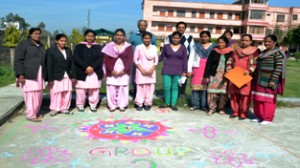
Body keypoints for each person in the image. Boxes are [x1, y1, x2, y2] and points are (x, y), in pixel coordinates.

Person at [251, 35, 286, 125]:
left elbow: (278, 68)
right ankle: (259, 116)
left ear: (274, 42)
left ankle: (268, 118)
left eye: (269, 41)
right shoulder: (263, 53)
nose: (267, 43)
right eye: (265, 41)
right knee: (258, 98)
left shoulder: (277, 53)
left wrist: (273, 80)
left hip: (269, 80)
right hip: (259, 79)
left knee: (268, 100)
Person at [14, 27, 46, 122]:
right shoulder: (24, 44)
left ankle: (35, 112)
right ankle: (31, 115)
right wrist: (20, 74)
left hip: (39, 74)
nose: (37, 35)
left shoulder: (41, 45)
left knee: (38, 94)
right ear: (30, 34)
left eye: (39, 33)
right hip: (28, 74)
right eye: (35, 33)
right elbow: (18, 60)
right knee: (30, 95)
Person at [227, 34, 259, 120]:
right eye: (243, 40)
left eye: (247, 40)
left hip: (246, 75)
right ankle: (235, 111)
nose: (244, 42)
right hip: (235, 75)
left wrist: (249, 71)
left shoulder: (254, 51)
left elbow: (255, 63)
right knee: (234, 94)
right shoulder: (236, 50)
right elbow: (230, 60)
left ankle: (243, 112)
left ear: (251, 42)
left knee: (244, 95)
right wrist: (229, 68)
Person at [73, 29, 104, 112]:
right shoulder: (79, 46)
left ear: (94, 37)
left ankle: (93, 104)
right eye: (88, 36)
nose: (90, 38)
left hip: (95, 71)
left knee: (94, 89)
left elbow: (100, 59)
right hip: (82, 71)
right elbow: (76, 58)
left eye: (92, 36)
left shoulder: (98, 47)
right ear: (85, 36)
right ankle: (80, 104)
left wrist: (92, 68)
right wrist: (86, 67)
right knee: (81, 89)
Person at [102, 28, 133, 112]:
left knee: (122, 87)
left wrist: (124, 70)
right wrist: (111, 70)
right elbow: (106, 59)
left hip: (123, 70)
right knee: (111, 87)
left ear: (124, 37)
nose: (119, 37)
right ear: (114, 36)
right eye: (117, 35)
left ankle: (122, 105)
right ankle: (112, 105)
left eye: (121, 35)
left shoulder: (128, 47)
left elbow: (130, 59)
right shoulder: (109, 46)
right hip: (112, 70)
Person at [204, 36, 233, 115]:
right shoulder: (214, 51)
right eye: (219, 42)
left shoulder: (230, 52)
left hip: (225, 75)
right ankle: (212, 108)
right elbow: (208, 64)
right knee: (212, 92)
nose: (220, 44)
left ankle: (221, 108)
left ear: (226, 43)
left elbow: (232, 64)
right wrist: (206, 75)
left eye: (222, 43)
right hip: (214, 75)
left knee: (223, 93)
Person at [159, 31, 188, 111]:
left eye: (177, 38)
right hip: (167, 70)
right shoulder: (166, 46)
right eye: (174, 38)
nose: (175, 39)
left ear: (180, 39)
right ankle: (166, 103)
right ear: (171, 38)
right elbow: (161, 57)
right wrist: (153, 61)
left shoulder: (183, 48)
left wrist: (185, 71)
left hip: (178, 70)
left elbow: (185, 60)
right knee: (166, 87)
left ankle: (173, 104)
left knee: (175, 88)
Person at [165, 21, 195, 98]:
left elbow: (192, 50)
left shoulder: (189, 38)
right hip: (173, 61)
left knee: (183, 77)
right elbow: (166, 49)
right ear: (176, 28)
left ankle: (181, 93)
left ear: (185, 28)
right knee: (173, 76)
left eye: (183, 28)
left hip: (185, 61)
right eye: (179, 27)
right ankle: (172, 92)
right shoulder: (170, 37)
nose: (181, 29)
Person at [129, 20, 157, 101]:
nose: (142, 27)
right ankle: (136, 94)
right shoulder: (133, 36)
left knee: (148, 80)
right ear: (138, 26)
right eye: (141, 25)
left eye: (144, 25)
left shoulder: (152, 36)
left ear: (147, 26)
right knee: (135, 78)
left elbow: (154, 49)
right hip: (136, 62)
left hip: (149, 62)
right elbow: (129, 48)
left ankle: (146, 97)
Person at [46, 34, 73, 116]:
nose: (63, 42)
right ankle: (55, 108)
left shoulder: (68, 50)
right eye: (61, 41)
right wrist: (50, 79)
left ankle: (64, 108)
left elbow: (72, 63)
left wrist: (74, 75)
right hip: (56, 76)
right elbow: (49, 65)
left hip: (67, 75)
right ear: (56, 41)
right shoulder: (51, 51)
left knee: (67, 92)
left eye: (65, 41)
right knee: (56, 92)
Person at [188, 31, 215, 112]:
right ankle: (195, 105)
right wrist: (189, 70)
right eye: (202, 36)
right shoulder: (196, 46)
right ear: (200, 37)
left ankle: (204, 105)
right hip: (197, 68)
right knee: (195, 87)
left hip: (208, 69)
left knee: (205, 88)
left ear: (209, 37)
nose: (204, 38)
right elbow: (191, 58)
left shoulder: (214, 46)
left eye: (206, 36)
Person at [134, 32, 158, 111]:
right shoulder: (139, 47)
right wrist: (141, 70)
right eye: (145, 38)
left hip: (151, 70)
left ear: (151, 39)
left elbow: (156, 60)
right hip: (141, 70)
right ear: (142, 39)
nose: (147, 40)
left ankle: (147, 103)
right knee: (140, 88)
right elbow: (135, 59)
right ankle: (139, 103)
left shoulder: (154, 48)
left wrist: (152, 69)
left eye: (148, 38)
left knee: (150, 88)